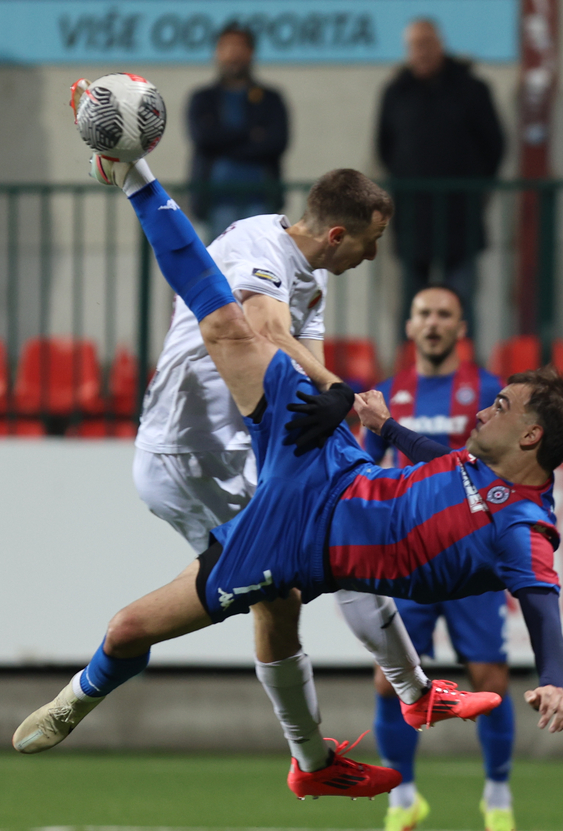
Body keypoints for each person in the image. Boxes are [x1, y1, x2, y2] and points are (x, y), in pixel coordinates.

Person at [13, 141, 563, 802]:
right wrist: (380, 427)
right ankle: (136, 175)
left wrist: (555, 677)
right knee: (224, 326)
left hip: (295, 543)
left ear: (532, 435)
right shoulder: (481, 462)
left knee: (129, 628)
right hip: (325, 461)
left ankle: (89, 690)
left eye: (502, 405)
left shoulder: (523, 527)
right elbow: (444, 461)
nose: (486, 408)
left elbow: (543, 606)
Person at [131, 170, 498, 786]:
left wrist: (332, 399)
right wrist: (340, 392)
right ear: (335, 234)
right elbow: (267, 331)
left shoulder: (316, 276)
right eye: (370, 241)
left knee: (343, 548)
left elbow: (303, 360)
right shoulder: (257, 247)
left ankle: (409, 698)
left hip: (245, 451)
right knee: (279, 598)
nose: (375, 254)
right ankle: (311, 759)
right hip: (187, 457)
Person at [357, 286, 518, 831]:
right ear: (408, 324)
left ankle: (496, 802)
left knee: (490, 677)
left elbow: (486, 470)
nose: (432, 323)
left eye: (444, 313)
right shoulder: (386, 395)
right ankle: (403, 801)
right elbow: (368, 474)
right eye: (423, 312)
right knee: (389, 682)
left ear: (461, 325)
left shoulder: (490, 392)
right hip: (406, 558)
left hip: (473, 559)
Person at [376, 18, 504, 328]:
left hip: (460, 216)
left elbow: (494, 145)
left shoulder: (471, 89)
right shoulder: (396, 92)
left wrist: (474, 188)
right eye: (415, 46)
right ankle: (411, 373)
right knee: (414, 307)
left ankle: (465, 372)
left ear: (440, 46)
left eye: (427, 45)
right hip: (412, 218)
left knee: (459, 304)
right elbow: (385, 147)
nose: (421, 53)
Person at [188, 23, 289, 239]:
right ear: (217, 52)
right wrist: (250, 134)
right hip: (216, 200)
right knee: (222, 266)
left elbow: (276, 142)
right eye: (227, 46)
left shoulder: (271, 99)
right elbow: (204, 138)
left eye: (239, 46)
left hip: (261, 200)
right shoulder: (203, 98)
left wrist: (223, 142)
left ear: (251, 52)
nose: (233, 54)